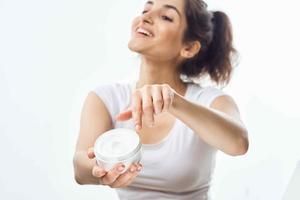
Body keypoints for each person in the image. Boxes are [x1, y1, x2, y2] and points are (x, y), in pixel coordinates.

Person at [73, 0, 249, 199]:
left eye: (166, 17)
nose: (145, 17)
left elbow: (239, 143)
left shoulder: (211, 100)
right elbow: (80, 168)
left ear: (189, 47)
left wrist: (174, 101)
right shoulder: (105, 99)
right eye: (146, 9)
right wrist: (99, 172)